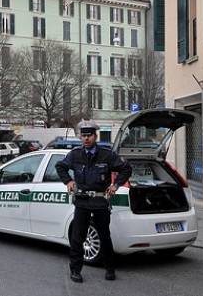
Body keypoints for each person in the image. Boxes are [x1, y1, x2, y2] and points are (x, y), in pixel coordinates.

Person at [55, 120, 132, 283]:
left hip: (100, 202)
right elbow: (60, 166)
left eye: (89, 135)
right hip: (82, 201)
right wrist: (68, 181)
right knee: (78, 238)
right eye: (83, 136)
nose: (86, 139)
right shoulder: (75, 154)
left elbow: (126, 168)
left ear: (95, 136)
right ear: (80, 137)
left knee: (104, 236)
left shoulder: (106, 154)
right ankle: (75, 270)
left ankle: (110, 269)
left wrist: (116, 185)